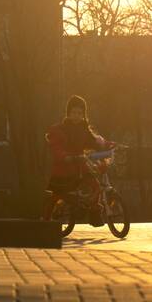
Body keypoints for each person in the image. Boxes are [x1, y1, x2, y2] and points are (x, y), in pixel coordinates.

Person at [43, 95, 111, 226]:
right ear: (68, 113)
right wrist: (65, 156)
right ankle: (46, 221)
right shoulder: (60, 130)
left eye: (80, 113)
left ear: (83, 115)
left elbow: (95, 142)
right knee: (57, 194)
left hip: (80, 165)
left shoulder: (84, 129)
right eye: (73, 112)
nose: (76, 116)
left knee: (96, 186)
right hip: (64, 168)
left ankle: (94, 212)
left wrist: (108, 145)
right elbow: (56, 147)